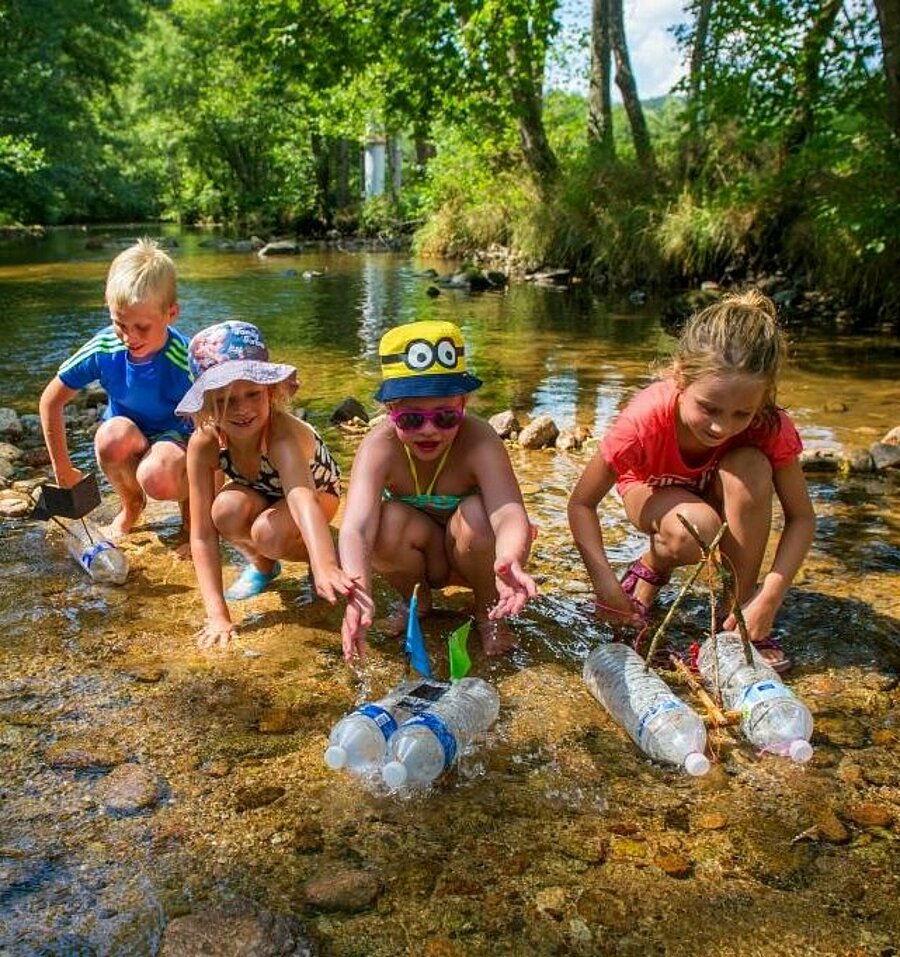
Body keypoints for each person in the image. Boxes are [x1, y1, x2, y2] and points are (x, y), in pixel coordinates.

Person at [568, 289, 815, 673]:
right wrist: (604, 584)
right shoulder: (643, 421)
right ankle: (654, 565)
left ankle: (739, 612)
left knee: (750, 465)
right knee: (693, 528)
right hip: (654, 490)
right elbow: (581, 503)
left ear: (762, 399)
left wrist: (770, 597)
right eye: (709, 408)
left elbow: (801, 517)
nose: (722, 426)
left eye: (741, 414)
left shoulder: (768, 424)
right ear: (681, 376)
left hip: (719, 490)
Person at [339, 319, 537, 663]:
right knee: (384, 523)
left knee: (478, 514)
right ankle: (416, 599)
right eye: (412, 419)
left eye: (445, 417)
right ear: (390, 411)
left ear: (464, 404)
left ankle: (488, 608)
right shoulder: (379, 446)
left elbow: (508, 511)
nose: (429, 430)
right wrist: (358, 594)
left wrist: (511, 557)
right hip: (421, 556)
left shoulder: (479, 440)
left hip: (474, 557)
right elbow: (356, 526)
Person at [176, 320, 367, 649]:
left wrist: (325, 565)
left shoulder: (280, 437)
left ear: (271, 391)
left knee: (268, 533)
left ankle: (316, 554)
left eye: (253, 394)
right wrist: (217, 614)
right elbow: (202, 533)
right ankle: (264, 567)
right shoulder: (204, 443)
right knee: (223, 510)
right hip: (264, 493)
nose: (243, 408)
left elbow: (302, 500)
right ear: (207, 404)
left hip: (317, 494)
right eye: (226, 401)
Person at [39, 238, 192, 547]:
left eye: (142, 327)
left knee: (157, 474)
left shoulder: (185, 359)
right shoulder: (105, 347)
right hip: (130, 434)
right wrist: (63, 470)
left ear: (171, 314)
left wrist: (203, 525)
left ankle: (190, 516)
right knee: (110, 438)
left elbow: (211, 433)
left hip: (177, 439)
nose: (129, 337)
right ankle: (131, 505)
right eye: (120, 324)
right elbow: (50, 401)